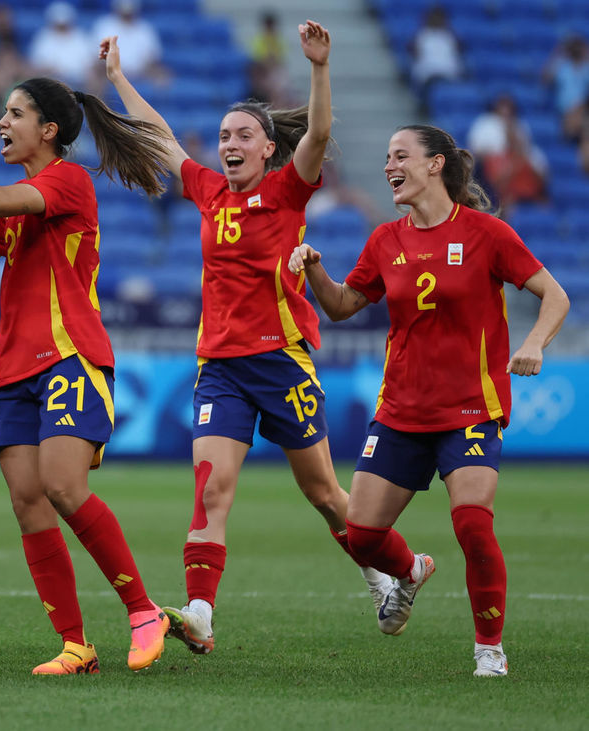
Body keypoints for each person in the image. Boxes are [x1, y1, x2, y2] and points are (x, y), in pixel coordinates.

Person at [101, 23, 394, 657]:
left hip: (282, 362)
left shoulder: (288, 192)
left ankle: (380, 573)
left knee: (322, 493)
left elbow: (316, 135)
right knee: (211, 488)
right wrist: (120, 79)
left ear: (267, 150)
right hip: (220, 368)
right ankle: (201, 611)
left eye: (242, 137)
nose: (228, 145)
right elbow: (160, 139)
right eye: (224, 136)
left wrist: (318, 68)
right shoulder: (208, 191)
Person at [0, 74, 174, 674]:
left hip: (69, 355)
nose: (2, 121)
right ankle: (75, 645)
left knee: (64, 486)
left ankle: (143, 609)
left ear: (47, 130)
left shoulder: (66, 182)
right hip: (14, 371)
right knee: (28, 503)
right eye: (3, 111)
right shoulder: (24, 194)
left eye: (14, 113)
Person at [289, 124, 570, 678]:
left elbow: (554, 295)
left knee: (472, 524)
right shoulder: (385, 239)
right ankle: (412, 570)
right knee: (363, 536)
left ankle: (489, 649)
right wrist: (314, 268)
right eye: (388, 157)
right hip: (401, 410)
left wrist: (535, 342)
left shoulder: (488, 234)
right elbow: (345, 305)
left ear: (436, 164)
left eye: (401, 156)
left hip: (470, 406)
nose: (390, 165)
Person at [466, 94, 548, 210]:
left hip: (527, 189)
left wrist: (522, 159)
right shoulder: (487, 128)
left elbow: (542, 178)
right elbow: (497, 182)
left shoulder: (528, 147)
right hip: (503, 190)